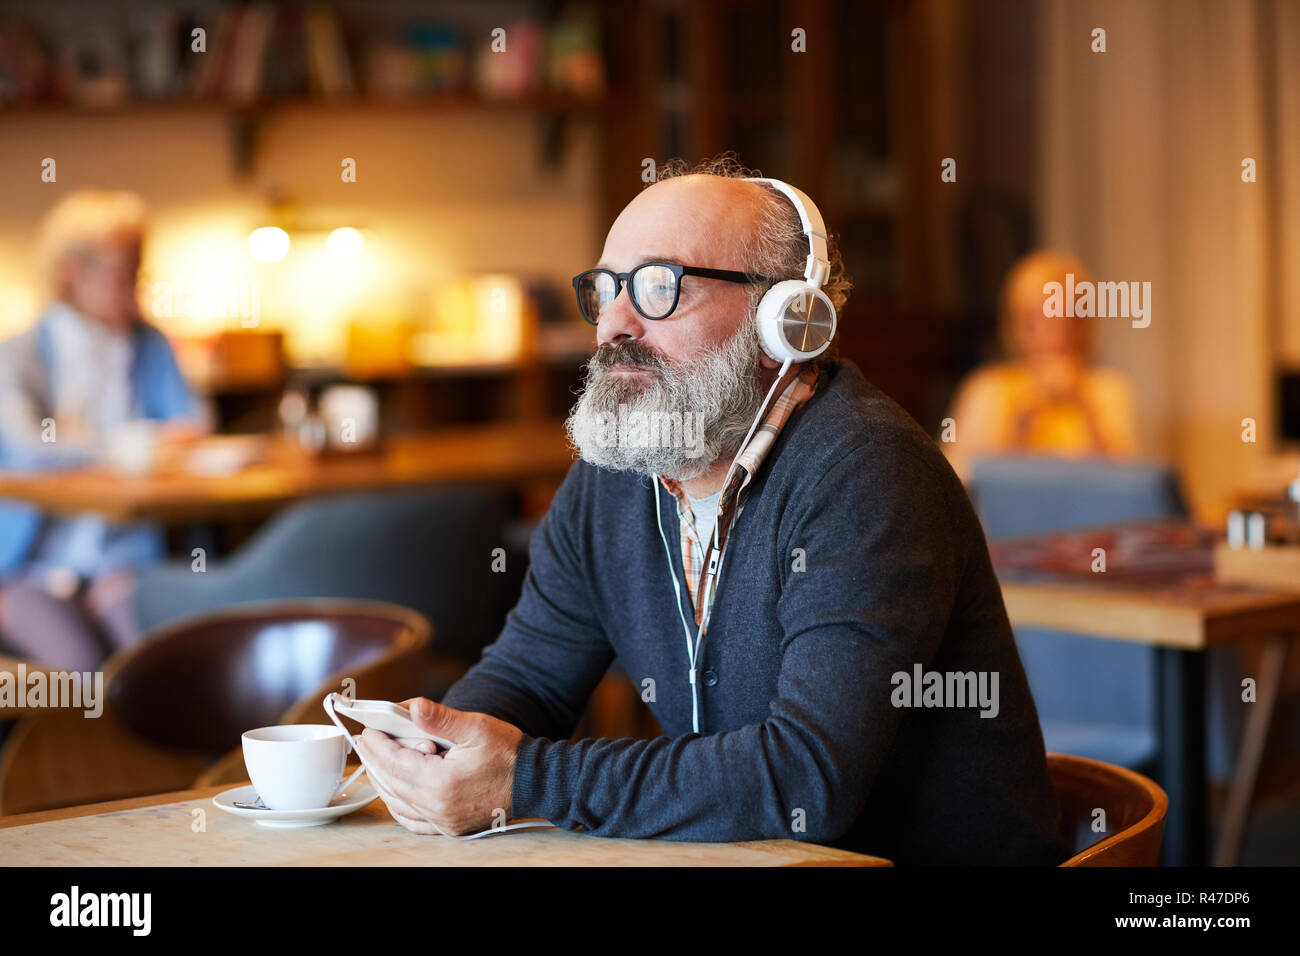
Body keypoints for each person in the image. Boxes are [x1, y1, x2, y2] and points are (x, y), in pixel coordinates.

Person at [354, 156, 1066, 865]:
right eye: (605, 291)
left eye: (659, 288)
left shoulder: (868, 473)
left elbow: (807, 778)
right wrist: (435, 746)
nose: (615, 326)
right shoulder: (613, 478)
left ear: (785, 319)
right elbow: (531, 678)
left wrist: (525, 780)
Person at [0, 190, 208, 672]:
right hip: (29, 564)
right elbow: (29, 447)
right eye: (123, 274)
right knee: (85, 676)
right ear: (72, 271)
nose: (134, 289)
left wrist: (101, 444)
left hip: (124, 557)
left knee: (152, 667)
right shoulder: (18, 353)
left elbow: (193, 427)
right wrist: (131, 444)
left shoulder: (148, 342)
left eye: (139, 273)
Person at [941, 251, 1139, 484]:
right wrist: (1023, 419)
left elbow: (1130, 485)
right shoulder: (987, 390)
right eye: (1043, 319)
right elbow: (958, 482)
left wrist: (1086, 410)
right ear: (1019, 326)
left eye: (1070, 318)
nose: (1058, 333)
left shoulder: (1108, 390)